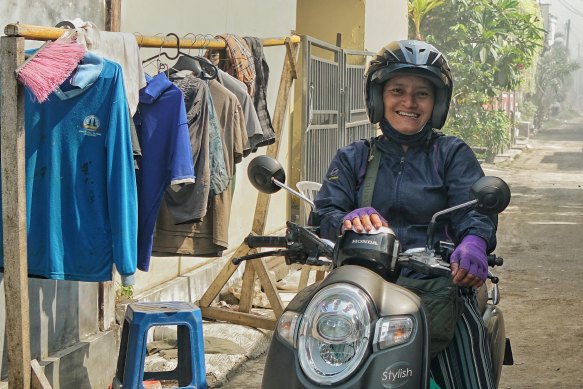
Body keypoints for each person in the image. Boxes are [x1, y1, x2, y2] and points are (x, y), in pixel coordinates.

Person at [314, 40, 497, 388]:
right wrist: (347, 219)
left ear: (437, 104)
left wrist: (473, 241)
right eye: (397, 90)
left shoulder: (452, 154)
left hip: (438, 291)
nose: (409, 103)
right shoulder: (353, 157)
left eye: (422, 94)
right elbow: (324, 211)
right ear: (377, 97)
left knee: (469, 373)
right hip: (359, 293)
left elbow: (476, 209)